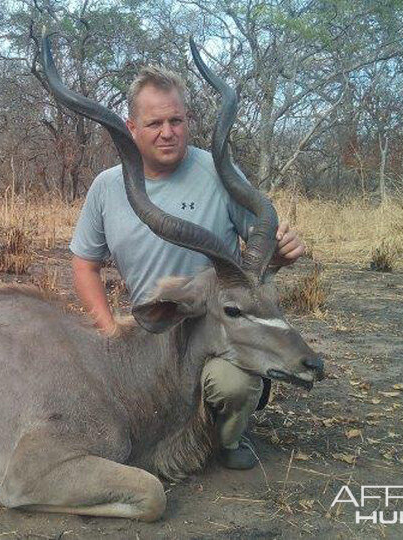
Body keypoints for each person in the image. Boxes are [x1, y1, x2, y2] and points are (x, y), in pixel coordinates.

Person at [69, 65, 306, 470]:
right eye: (155, 122)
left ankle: (226, 438)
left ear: (188, 121)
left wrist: (281, 253)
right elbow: (84, 264)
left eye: (176, 120)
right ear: (130, 127)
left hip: (215, 325)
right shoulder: (107, 186)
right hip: (152, 326)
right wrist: (107, 328)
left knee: (232, 386)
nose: (168, 132)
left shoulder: (220, 174)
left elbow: (257, 261)